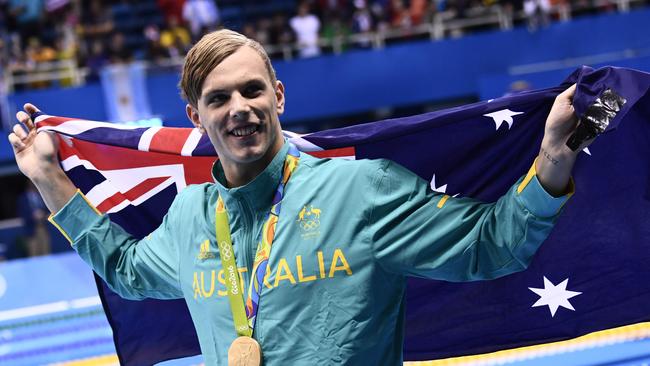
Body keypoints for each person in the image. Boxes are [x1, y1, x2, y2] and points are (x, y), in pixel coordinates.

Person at [8, 29, 586, 365]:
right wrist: (49, 180)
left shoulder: (360, 190)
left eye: (252, 90)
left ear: (278, 96)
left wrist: (554, 156)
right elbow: (129, 271)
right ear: (196, 117)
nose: (239, 107)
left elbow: (492, 246)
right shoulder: (190, 216)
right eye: (218, 98)